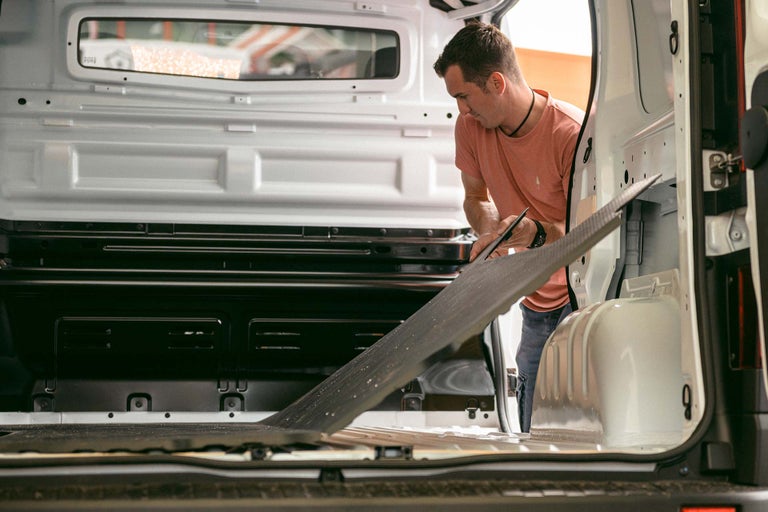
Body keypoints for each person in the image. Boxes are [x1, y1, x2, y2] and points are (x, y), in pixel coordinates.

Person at [433, 21, 583, 432]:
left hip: (581, 303)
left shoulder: (570, 133)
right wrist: (490, 229)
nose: (461, 109)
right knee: (531, 428)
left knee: (582, 431)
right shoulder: (469, 128)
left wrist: (532, 233)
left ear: (496, 82)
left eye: (464, 96)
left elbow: (585, 231)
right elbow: (475, 198)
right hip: (535, 306)